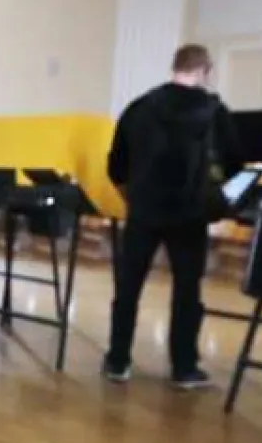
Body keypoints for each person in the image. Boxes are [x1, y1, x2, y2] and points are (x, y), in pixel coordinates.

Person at [104, 43, 243, 389]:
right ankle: (184, 367)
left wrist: (133, 196)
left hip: (144, 212)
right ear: (205, 70)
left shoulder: (138, 108)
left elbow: (115, 166)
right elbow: (235, 164)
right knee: (186, 291)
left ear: (174, 67)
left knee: (128, 287)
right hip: (190, 215)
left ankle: (118, 361)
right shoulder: (214, 112)